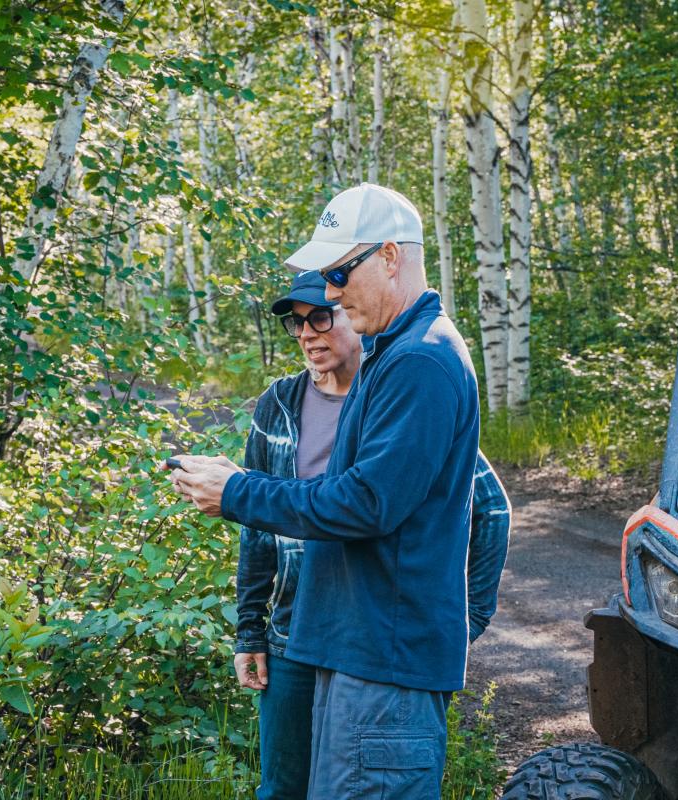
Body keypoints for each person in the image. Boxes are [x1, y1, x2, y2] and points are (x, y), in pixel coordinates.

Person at [171, 183, 481, 799]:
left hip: (384, 666)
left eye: (339, 273)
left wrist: (237, 491)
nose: (330, 293)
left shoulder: (420, 361)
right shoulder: (393, 354)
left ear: (391, 257)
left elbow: (365, 503)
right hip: (355, 657)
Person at [234, 268, 511, 799]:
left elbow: (490, 510)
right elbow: (258, 525)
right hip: (294, 630)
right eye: (297, 324)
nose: (308, 333)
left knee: (361, 778)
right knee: (285, 787)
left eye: (320, 316)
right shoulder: (281, 403)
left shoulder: (394, 389)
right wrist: (251, 629)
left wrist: (464, 618)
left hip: (370, 636)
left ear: (352, 312)